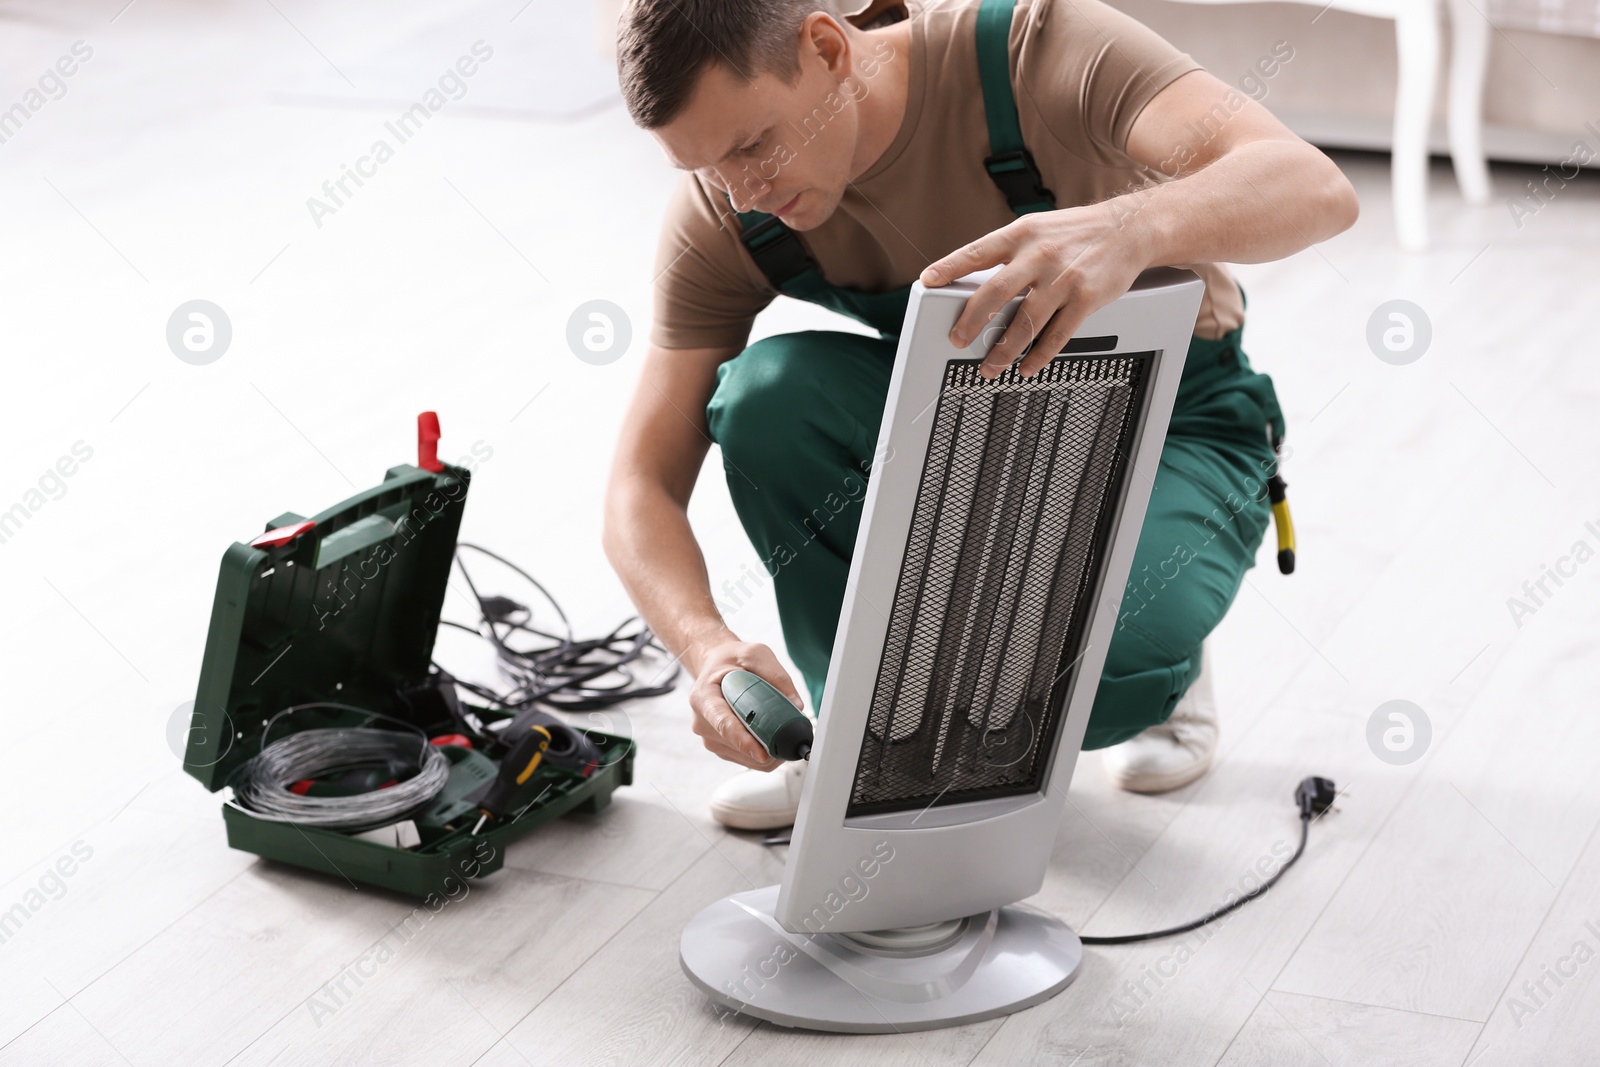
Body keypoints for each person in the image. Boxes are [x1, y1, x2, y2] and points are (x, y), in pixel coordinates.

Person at [603, 0, 1358, 830]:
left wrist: (1129, 227)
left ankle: (1136, 631)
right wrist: (707, 649)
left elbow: (1314, 186)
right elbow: (639, 485)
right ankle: (855, 744)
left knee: (1078, 679)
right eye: (705, 167)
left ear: (825, 48)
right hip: (962, 419)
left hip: (1168, 423)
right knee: (769, 399)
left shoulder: (1032, 52)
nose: (744, 190)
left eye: (752, 144)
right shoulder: (731, 213)